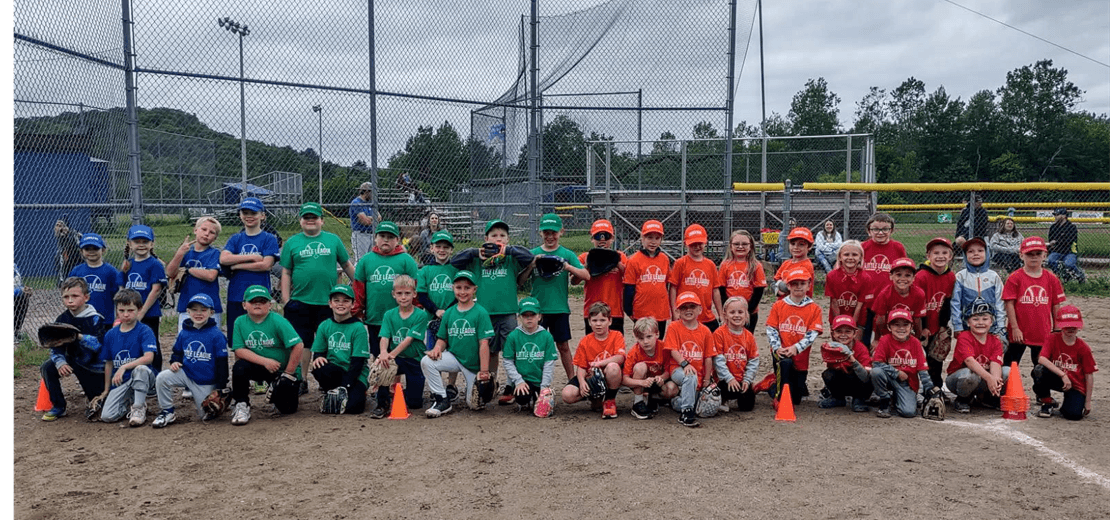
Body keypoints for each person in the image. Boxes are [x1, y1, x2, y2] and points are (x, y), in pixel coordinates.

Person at [449, 219, 534, 395]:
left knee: (511, 350)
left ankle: (511, 385)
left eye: (502, 236)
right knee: (491, 350)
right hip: (484, 313)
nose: (498, 239)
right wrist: (474, 252)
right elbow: (454, 261)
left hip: (508, 311)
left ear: (508, 239)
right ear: (485, 238)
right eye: (493, 235)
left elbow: (529, 258)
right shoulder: (477, 260)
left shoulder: (510, 258)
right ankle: (492, 382)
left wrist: (507, 250)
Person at [281, 202, 356, 394]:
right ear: (301, 221)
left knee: (328, 343)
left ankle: (327, 379)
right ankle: (302, 380)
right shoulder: (292, 242)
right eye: (306, 217)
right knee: (302, 343)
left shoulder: (333, 240)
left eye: (314, 217)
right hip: (300, 300)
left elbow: (346, 265)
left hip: (328, 302)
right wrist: (286, 299)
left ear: (322, 220)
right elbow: (287, 272)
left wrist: (359, 286)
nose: (310, 220)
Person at [522, 213, 590, 383]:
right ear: (540, 233)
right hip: (537, 309)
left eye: (554, 232)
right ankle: (534, 381)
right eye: (546, 232)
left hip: (559, 307)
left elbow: (586, 275)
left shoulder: (566, 253)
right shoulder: (533, 253)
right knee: (536, 347)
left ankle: (572, 379)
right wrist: (531, 264)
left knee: (563, 346)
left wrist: (567, 266)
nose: (550, 236)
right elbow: (520, 281)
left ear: (561, 232)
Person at [420, 270, 494, 418]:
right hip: (455, 357)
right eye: (459, 287)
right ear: (453, 288)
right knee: (427, 361)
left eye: (467, 288)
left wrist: (484, 370)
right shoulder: (449, 313)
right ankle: (442, 399)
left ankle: (488, 383)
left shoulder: (480, 312)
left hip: (474, 365)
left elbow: (484, 344)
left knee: (475, 405)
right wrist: (436, 349)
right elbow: (443, 339)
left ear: (474, 290)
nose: (462, 292)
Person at [229, 285, 306, 425]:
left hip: (282, 371)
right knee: (239, 367)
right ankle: (241, 404)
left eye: (262, 301)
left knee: (288, 410)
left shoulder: (278, 320)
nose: (257, 304)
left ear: (270, 305)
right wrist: (265, 361)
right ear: (244, 305)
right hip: (260, 366)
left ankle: (276, 388)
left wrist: (288, 373)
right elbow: (239, 350)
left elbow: (298, 345)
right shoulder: (240, 322)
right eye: (253, 301)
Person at [152, 293, 229, 427]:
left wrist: (220, 388)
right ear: (188, 311)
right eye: (194, 310)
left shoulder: (216, 335)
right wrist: (174, 361)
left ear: (211, 312)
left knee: (206, 415)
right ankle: (167, 411)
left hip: (205, 381)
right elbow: (177, 352)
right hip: (186, 374)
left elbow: (222, 364)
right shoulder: (184, 332)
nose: (198, 313)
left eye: (203, 310)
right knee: (162, 378)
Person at [39, 277, 109, 421]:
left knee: (99, 404)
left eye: (75, 296)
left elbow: (99, 346)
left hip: (94, 365)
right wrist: (60, 362)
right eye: (66, 297)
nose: (70, 300)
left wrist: (79, 337)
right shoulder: (61, 319)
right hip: (72, 359)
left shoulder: (96, 319)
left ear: (86, 297)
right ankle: (58, 406)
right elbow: (56, 346)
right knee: (47, 367)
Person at [220, 197, 280, 346]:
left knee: (260, 339)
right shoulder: (236, 239)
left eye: (253, 213)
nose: (249, 216)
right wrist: (253, 257)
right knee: (237, 340)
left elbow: (266, 265)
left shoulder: (269, 238)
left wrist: (237, 266)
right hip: (237, 295)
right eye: (245, 212)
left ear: (262, 215)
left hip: (260, 295)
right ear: (240, 215)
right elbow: (224, 258)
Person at [354, 220, 418, 355]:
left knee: (399, 357)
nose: (386, 240)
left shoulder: (406, 260)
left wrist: (415, 313)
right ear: (376, 238)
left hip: (401, 317)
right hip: (375, 317)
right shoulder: (366, 260)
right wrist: (357, 312)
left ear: (397, 240)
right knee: (378, 355)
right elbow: (359, 290)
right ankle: (379, 377)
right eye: (382, 236)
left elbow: (415, 288)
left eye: (390, 237)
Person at [93, 289, 157, 425]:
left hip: (141, 377)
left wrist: (124, 366)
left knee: (141, 369)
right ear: (116, 310)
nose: (126, 314)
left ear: (139, 310)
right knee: (107, 416)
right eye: (121, 310)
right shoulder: (110, 334)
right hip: (121, 381)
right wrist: (106, 390)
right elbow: (109, 363)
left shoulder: (144, 330)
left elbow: (149, 357)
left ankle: (139, 408)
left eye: (130, 310)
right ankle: (129, 404)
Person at [1002, 236, 1066, 368]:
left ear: (1044, 255)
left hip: (1042, 332)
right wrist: (1014, 328)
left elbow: (1056, 305)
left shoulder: (1052, 279)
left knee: (1042, 369)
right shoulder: (1015, 277)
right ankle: (1005, 389)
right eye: (1029, 254)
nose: (1034, 257)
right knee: (1009, 367)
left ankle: (1041, 388)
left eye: (1038, 253)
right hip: (1019, 332)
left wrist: (1057, 329)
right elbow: (1009, 304)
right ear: (1021, 255)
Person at [371, 275, 429, 418]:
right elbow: (384, 336)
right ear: (393, 294)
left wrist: (392, 354)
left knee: (415, 404)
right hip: (396, 358)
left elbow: (408, 339)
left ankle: (401, 393)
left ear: (414, 294)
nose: (403, 297)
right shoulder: (389, 314)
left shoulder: (421, 315)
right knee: (384, 366)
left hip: (415, 359)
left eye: (407, 293)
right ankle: (382, 404)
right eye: (399, 293)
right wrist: (384, 352)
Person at [763, 268, 822, 406]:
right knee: (785, 366)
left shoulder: (815, 308)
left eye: (802, 283)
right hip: (781, 353)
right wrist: (777, 347)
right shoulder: (778, 305)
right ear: (788, 286)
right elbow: (771, 328)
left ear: (809, 285)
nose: (798, 287)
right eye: (794, 283)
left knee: (796, 399)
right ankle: (778, 397)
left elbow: (812, 333)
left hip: (800, 356)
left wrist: (796, 347)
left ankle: (770, 384)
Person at [310, 285, 371, 416]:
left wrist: (346, 387)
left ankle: (344, 393)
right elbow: (318, 351)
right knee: (319, 366)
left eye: (346, 301)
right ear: (330, 304)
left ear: (353, 304)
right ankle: (330, 392)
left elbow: (358, 362)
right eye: (336, 300)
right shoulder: (325, 325)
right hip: (335, 370)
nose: (341, 304)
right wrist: (318, 357)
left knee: (354, 408)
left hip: (354, 373)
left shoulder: (358, 327)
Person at [561, 302, 626, 419]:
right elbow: (581, 366)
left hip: (608, 376)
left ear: (609, 321)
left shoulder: (617, 335)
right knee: (567, 395)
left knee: (613, 367)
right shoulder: (585, 341)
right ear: (589, 322)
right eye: (595, 320)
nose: (598, 324)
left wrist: (599, 364)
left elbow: (620, 357)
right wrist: (582, 383)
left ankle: (609, 400)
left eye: (602, 320)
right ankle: (594, 397)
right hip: (590, 376)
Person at [871, 308, 937, 418]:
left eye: (905, 325)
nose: (901, 328)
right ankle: (885, 400)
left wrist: (930, 390)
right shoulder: (885, 340)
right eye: (896, 325)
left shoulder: (915, 343)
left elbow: (922, 370)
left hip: (907, 382)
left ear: (911, 327)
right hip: (890, 378)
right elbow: (877, 364)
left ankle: (897, 397)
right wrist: (896, 372)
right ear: (889, 327)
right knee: (876, 372)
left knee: (908, 412)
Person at [1033, 305, 1097, 420]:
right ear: (1060, 326)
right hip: (1059, 378)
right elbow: (1041, 359)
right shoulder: (1052, 338)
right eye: (1067, 326)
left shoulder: (1083, 348)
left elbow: (1089, 375)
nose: (1070, 329)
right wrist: (1063, 375)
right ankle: (1047, 401)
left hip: (1076, 385)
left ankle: (1068, 404)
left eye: (1074, 326)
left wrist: (1087, 402)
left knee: (1073, 415)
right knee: (1039, 370)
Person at [663, 292, 717, 427]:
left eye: (692, 306)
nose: (688, 310)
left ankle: (676, 403)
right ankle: (686, 413)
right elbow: (673, 350)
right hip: (677, 369)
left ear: (699, 309)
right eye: (683, 307)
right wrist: (685, 363)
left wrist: (706, 379)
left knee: (703, 401)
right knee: (690, 376)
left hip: (698, 372)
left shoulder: (705, 331)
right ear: (677, 311)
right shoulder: (674, 327)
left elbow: (708, 357)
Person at [946, 298, 1007, 413]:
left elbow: (996, 363)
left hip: (982, 378)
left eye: (985, 319)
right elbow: (969, 361)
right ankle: (963, 399)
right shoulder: (964, 337)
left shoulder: (995, 340)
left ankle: (988, 397)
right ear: (968, 322)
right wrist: (989, 378)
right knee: (970, 375)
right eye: (975, 319)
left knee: (1007, 372)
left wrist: (995, 381)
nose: (980, 323)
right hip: (959, 378)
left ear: (991, 322)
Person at [120, 225, 167, 372]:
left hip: (149, 312)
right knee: (133, 343)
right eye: (137, 241)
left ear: (151, 244)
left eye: (145, 241)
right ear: (129, 243)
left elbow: (156, 289)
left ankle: (155, 375)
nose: (141, 245)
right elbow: (121, 288)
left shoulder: (154, 264)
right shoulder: (128, 264)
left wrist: (141, 313)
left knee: (151, 344)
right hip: (130, 312)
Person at [500, 297, 559, 412]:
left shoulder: (546, 336)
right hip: (523, 380)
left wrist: (544, 387)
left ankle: (541, 394)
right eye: (525, 315)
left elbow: (549, 363)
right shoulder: (513, 336)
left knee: (541, 400)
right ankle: (526, 399)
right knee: (522, 398)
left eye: (532, 315)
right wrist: (518, 381)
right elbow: (508, 361)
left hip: (539, 380)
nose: (529, 318)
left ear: (539, 316)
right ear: (519, 317)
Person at [166, 216, 222, 331]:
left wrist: (188, 269)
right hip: (187, 306)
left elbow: (211, 276)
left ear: (215, 238)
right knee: (186, 341)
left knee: (210, 342)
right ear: (195, 230)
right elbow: (170, 272)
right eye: (204, 229)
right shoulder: (186, 253)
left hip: (210, 308)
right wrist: (180, 253)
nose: (206, 234)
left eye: (212, 232)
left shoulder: (214, 253)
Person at [914, 237, 956, 389]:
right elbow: (918, 305)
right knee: (919, 359)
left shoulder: (950, 276)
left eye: (945, 253)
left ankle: (936, 388)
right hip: (920, 324)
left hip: (937, 325)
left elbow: (947, 303)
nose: (940, 256)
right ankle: (917, 389)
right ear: (928, 256)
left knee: (936, 360)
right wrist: (923, 327)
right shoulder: (921, 276)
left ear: (950, 256)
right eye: (935, 253)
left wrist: (943, 327)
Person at [860, 213, 907, 347]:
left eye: (885, 229)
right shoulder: (863, 247)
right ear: (869, 231)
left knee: (886, 335)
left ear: (891, 230)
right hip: (867, 301)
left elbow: (904, 272)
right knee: (865, 334)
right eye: (876, 229)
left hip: (889, 299)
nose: (880, 233)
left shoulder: (898, 247)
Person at [573, 219, 627, 334]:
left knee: (615, 344)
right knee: (593, 344)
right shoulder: (585, 257)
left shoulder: (620, 256)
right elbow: (574, 281)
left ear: (612, 238)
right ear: (592, 239)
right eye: (597, 236)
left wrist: (616, 261)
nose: (602, 240)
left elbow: (628, 277)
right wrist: (587, 264)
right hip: (592, 311)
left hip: (615, 311)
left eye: (606, 236)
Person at [950, 237, 1006, 345]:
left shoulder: (993, 276)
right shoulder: (961, 276)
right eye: (971, 251)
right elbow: (955, 303)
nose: (976, 254)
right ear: (965, 255)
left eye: (980, 251)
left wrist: (1001, 326)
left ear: (987, 253)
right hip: (967, 326)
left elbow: (1000, 303)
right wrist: (957, 326)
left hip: (991, 327)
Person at [668, 224, 723, 331]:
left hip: (706, 316)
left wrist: (720, 313)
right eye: (693, 244)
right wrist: (675, 312)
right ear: (686, 244)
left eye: (700, 243)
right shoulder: (680, 263)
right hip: (685, 314)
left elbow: (715, 290)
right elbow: (673, 288)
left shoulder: (710, 265)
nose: (697, 247)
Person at [623, 220, 672, 338]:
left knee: (658, 341)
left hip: (660, 311)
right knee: (644, 342)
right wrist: (629, 311)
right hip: (642, 311)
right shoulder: (634, 260)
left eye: (657, 238)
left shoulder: (664, 259)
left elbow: (665, 285)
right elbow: (629, 288)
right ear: (642, 237)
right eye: (649, 237)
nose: (653, 242)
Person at [711, 297, 759, 413]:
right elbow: (718, 360)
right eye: (732, 312)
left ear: (746, 315)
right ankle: (722, 399)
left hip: (741, 378)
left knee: (747, 406)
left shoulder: (749, 336)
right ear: (725, 315)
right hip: (724, 380)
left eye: (740, 312)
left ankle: (752, 387)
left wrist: (747, 380)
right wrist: (729, 378)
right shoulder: (719, 333)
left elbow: (753, 360)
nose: (736, 315)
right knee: (725, 389)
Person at [817, 315, 872, 413]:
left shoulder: (861, 348)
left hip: (859, 381)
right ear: (832, 333)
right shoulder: (831, 348)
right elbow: (832, 369)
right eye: (839, 331)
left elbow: (866, 376)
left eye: (848, 331)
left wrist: (853, 360)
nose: (843, 335)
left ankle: (859, 399)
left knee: (868, 375)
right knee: (828, 374)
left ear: (855, 333)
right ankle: (838, 397)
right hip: (844, 378)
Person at [622, 318, 674, 420]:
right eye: (641, 338)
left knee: (672, 389)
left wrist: (661, 377)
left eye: (649, 336)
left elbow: (669, 370)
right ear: (636, 338)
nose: (645, 341)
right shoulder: (634, 352)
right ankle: (638, 402)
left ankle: (654, 398)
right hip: (642, 383)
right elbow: (624, 379)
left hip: (657, 383)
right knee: (640, 366)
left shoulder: (664, 348)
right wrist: (642, 383)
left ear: (657, 334)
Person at [718, 230, 766, 334]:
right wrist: (726, 309)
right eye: (736, 244)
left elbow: (759, 291)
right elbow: (721, 289)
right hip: (731, 311)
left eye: (744, 244)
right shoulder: (725, 265)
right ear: (731, 246)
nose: (740, 247)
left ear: (751, 246)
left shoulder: (756, 266)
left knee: (746, 339)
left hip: (749, 311)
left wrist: (747, 311)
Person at [68, 232, 123, 324]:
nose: (91, 251)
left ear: (103, 250)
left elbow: (118, 296)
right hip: (81, 318)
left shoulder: (111, 271)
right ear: (81, 251)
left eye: (95, 248)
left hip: (105, 320)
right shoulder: (77, 271)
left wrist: (118, 318)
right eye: (87, 249)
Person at [870, 258, 926, 342]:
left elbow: (917, 319)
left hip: (907, 333)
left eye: (907, 275)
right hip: (886, 332)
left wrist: (918, 340)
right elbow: (880, 320)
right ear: (891, 276)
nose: (903, 279)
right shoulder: (885, 294)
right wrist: (877, 339)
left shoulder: (919, 294)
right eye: (898, 275)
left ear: (914, 278)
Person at [824, 240, 874, 327]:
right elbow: (834, 302)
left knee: (855, 339)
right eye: (846, 254)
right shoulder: (832, 276)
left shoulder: (866, 278)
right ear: (839, 257)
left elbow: (860, 304)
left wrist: (853, 324)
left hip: (858, 320)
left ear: (860, 257)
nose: (850, 258)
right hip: (837, 317)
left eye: (855, 255)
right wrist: (839, 323)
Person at [772, 227, 816, 299]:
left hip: (799, 304)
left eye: (801, 244)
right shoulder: (786, 263)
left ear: (809, 247)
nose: (796, 247)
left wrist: (781, 285)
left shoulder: (807, 265)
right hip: (783, 303)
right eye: (793, 244)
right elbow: (774, 282)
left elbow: (796, 288)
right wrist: (777, 290)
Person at [1046, 208, 1086, 283]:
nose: (1055, 217)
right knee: (1051, 260)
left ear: (1064, 216)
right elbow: (1051, 240)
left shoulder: (1071, 227)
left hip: (1069, 252)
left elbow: (1069, 241)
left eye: (1057, 215)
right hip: (1057, 251)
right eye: (1055, 215)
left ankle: (1079, 275)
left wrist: (1057, 241)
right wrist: (1056, 243)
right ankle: (1060, 276)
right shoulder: (1053, 227)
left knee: (1069, 264)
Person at [349, 181, 379, 261]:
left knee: (371, 259)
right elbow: (366, 221)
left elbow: (379, 217)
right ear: (366, 191)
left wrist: (369, 218)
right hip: (360, 235)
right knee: (361, 260)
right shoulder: (356, 202)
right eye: (372, 192)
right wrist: (373, 219)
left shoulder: (371, 203)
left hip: (371, 235)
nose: (373, 195)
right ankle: (356, 273)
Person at [54, 218, 82, 285]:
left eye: (61, 225)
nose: (60, 227)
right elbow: (60, 237)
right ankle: (62, 281)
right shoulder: (60, 234)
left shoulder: (73, 232)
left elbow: (79, 240)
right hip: (65, 252)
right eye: (58, 225)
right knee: (60, 258)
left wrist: (70, 232)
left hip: (76, 252)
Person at [13, 263, 30, 341]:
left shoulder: (14, 265)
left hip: (15, 293)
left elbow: (17, 283)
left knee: (24, 297)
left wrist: (24, 289)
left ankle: (16, 330)